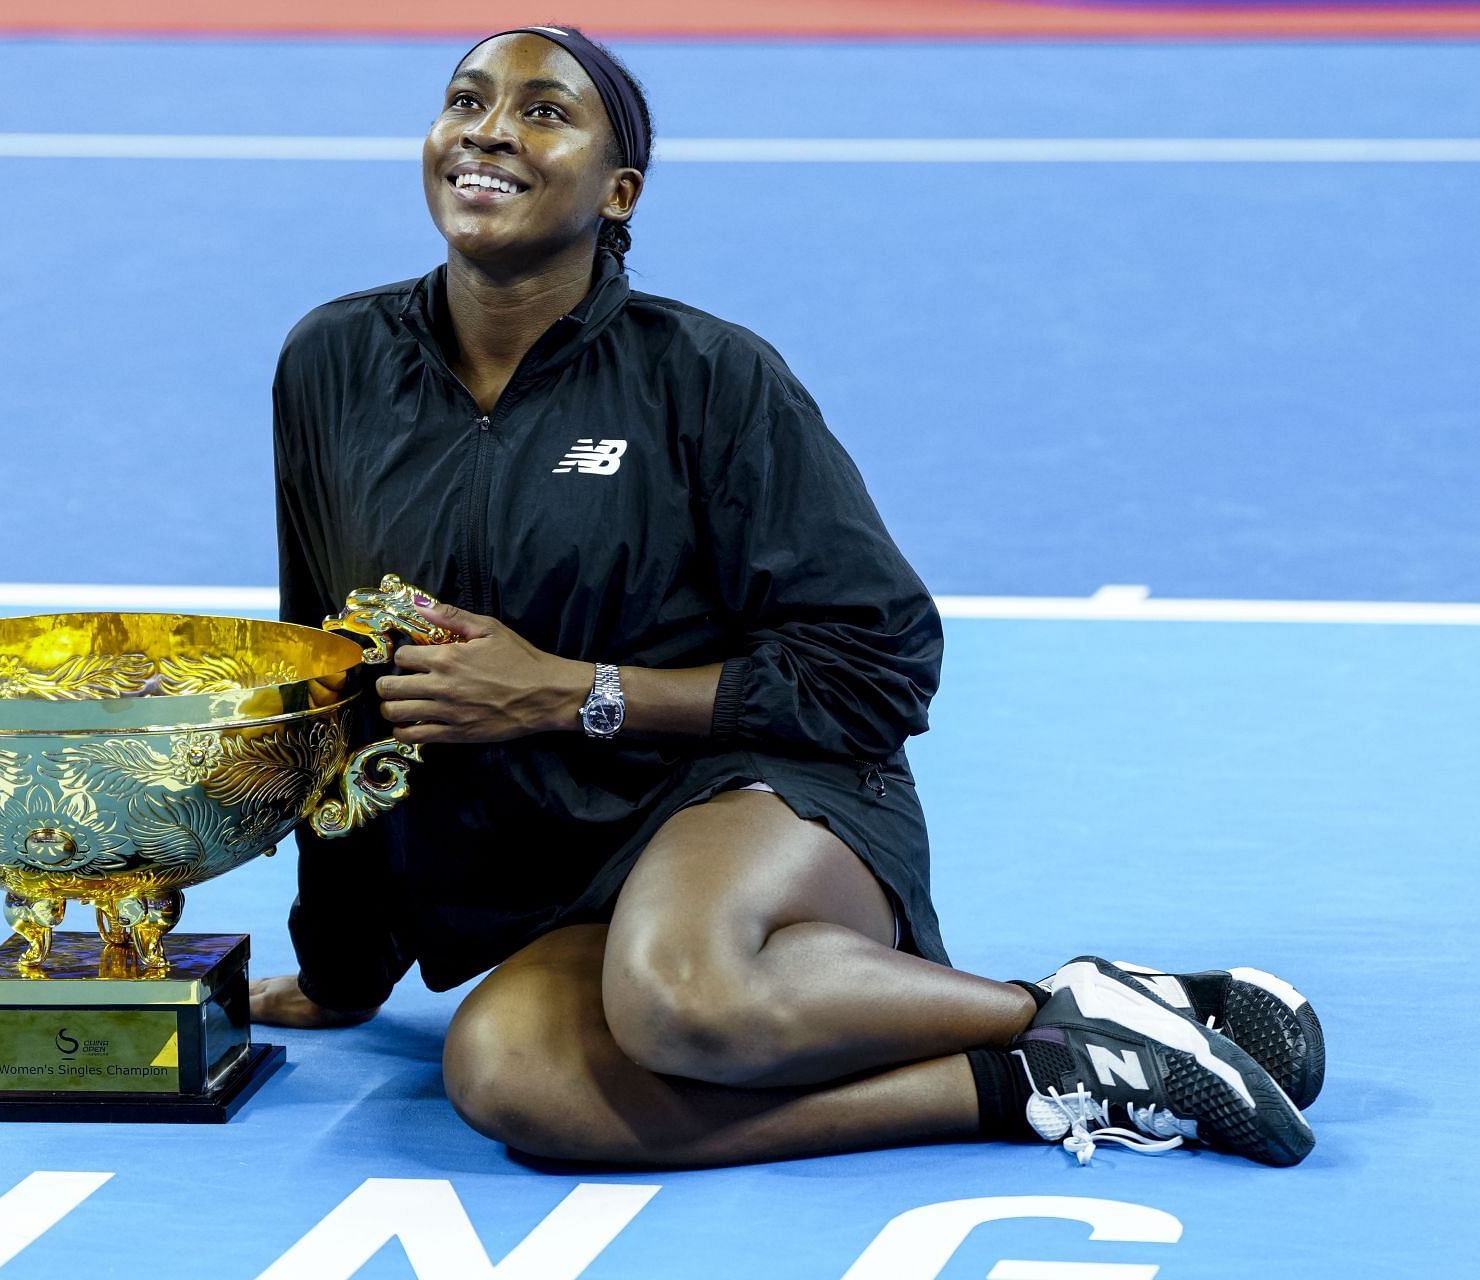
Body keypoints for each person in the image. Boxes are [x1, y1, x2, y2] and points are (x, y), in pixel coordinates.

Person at [252, 24, 1323, 1167]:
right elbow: (339, 677)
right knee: (511, 1075)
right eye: (466, 100)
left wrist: (576, 695)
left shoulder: (708, 376)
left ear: (620, 192)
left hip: (753, 786)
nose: (490, 130)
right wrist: (342, 964)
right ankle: (1046, 1069)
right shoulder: (333, 364)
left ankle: (1054, 1002)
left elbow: (880, 661)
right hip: (545, 873)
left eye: (545, 110)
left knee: (681, 995)